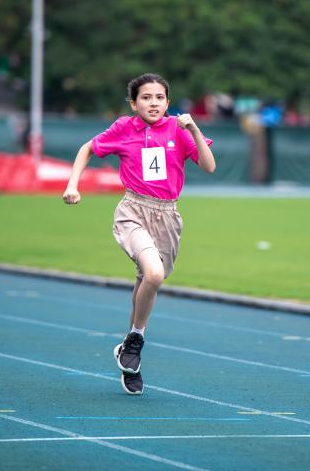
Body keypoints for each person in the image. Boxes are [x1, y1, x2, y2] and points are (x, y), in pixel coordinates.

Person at [62, 73, 216, 395]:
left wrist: (194, 129)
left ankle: (129, 352)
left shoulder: (178, 129)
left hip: (168, 217)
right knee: (154, 274)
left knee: (145, 283)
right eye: (146, 98)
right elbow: (87, 148)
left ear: (168, 102)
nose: (154, 103)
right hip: (133, 212)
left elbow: (208, 165)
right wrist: (72, 185)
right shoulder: (123, 128)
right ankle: (136, 339)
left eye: (160, 97)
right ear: (134, 103)